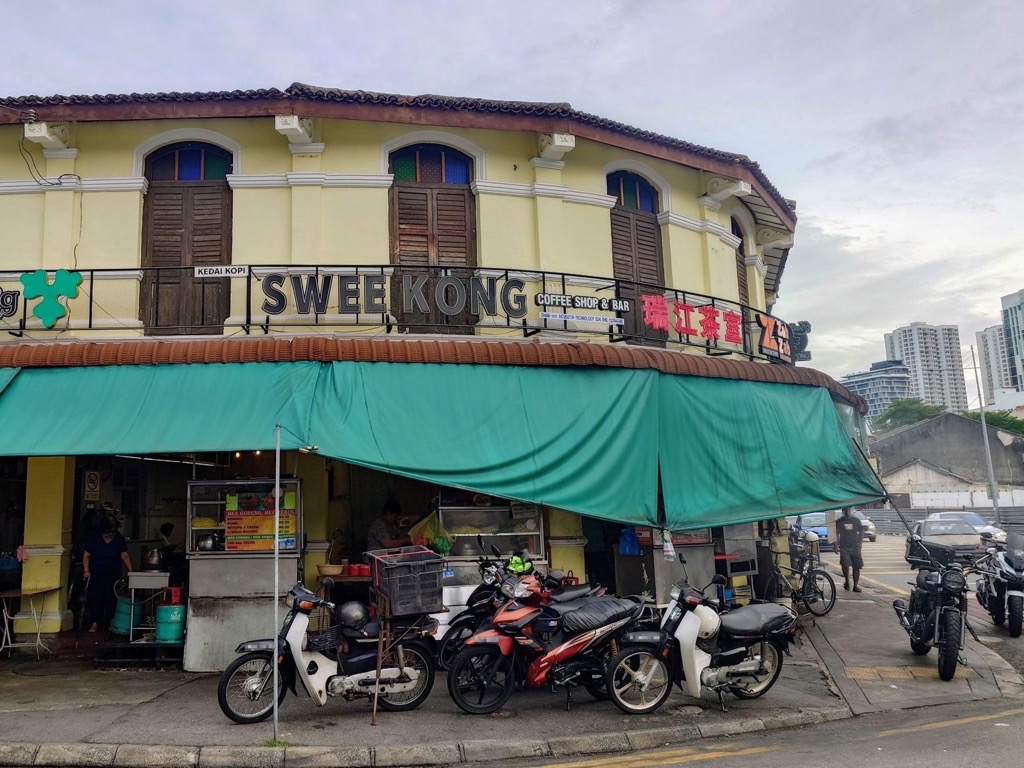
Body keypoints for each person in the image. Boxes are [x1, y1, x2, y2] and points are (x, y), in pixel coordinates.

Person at [82, 516, 133, 632]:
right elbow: (86, 555)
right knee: (95, 598)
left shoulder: (119, 539)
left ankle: (110, 622)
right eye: (106, 533)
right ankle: (94, 623)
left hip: (112, 574)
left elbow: (124, 555)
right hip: (95, 573)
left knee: (111, 598)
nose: (109, 535)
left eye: (111, 533)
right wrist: (86, 571)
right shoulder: (95, 538)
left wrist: (131, 571)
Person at [835, 507, 864, 592]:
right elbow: (836, 533)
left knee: (857, 566)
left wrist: (860, 542)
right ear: (843, 511)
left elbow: (862, 531)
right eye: (845, 510)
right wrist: (835, 544)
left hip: (855, 546)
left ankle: (855, 586)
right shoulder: (839, 521)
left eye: (849, 510)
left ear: (851, 511)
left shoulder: (856, 520)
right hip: (844, 546)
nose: (847, 512)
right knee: (845, 564)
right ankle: (847, 580)